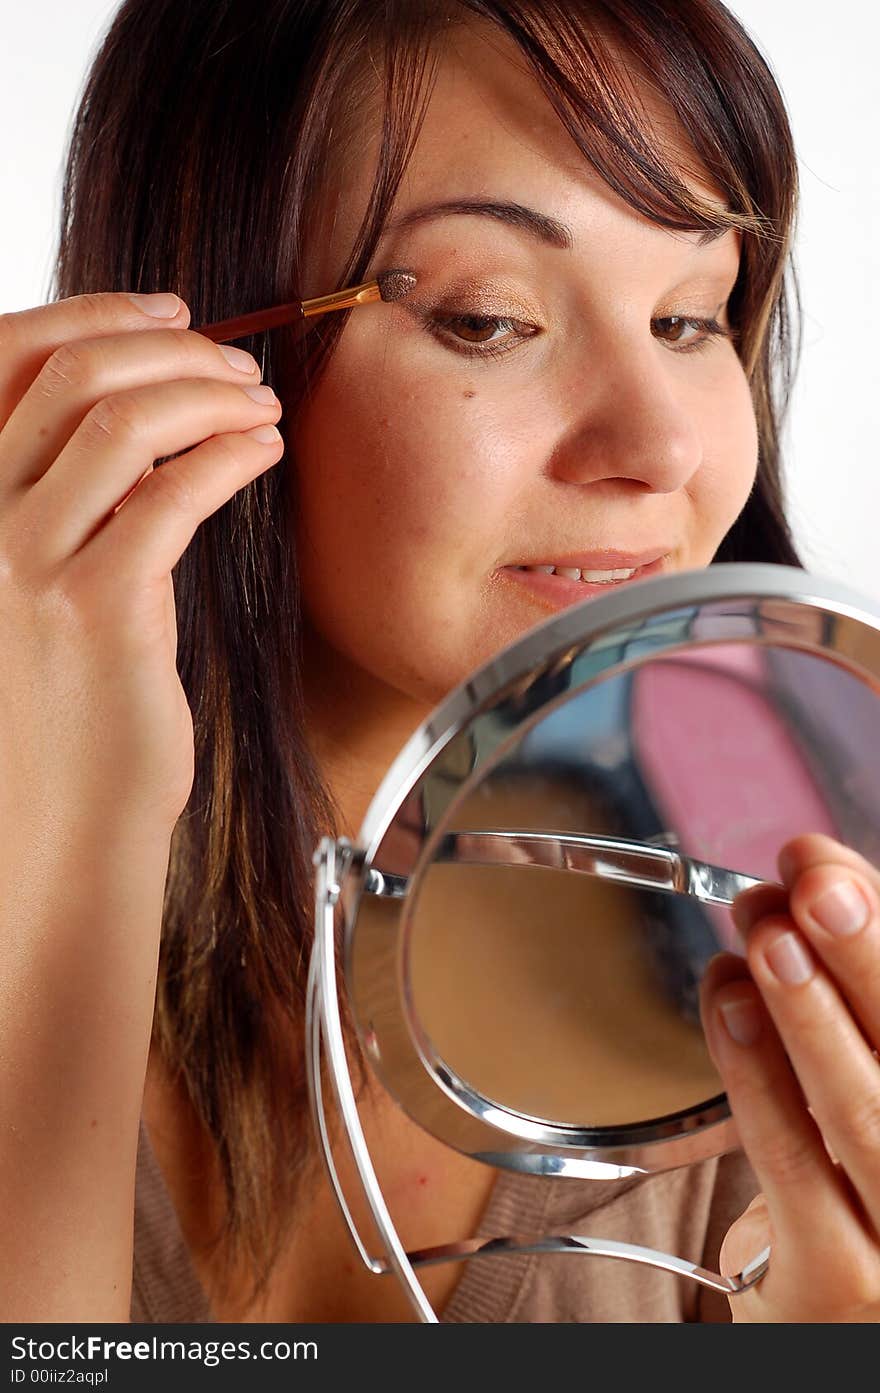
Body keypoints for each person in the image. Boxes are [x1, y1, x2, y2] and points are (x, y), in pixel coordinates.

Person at [1, 0, 878, 1324]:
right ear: (197, 353)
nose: (659, 447)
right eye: (486, 317)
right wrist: (79, 844)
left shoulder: (793, 1001)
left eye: (693, 318)